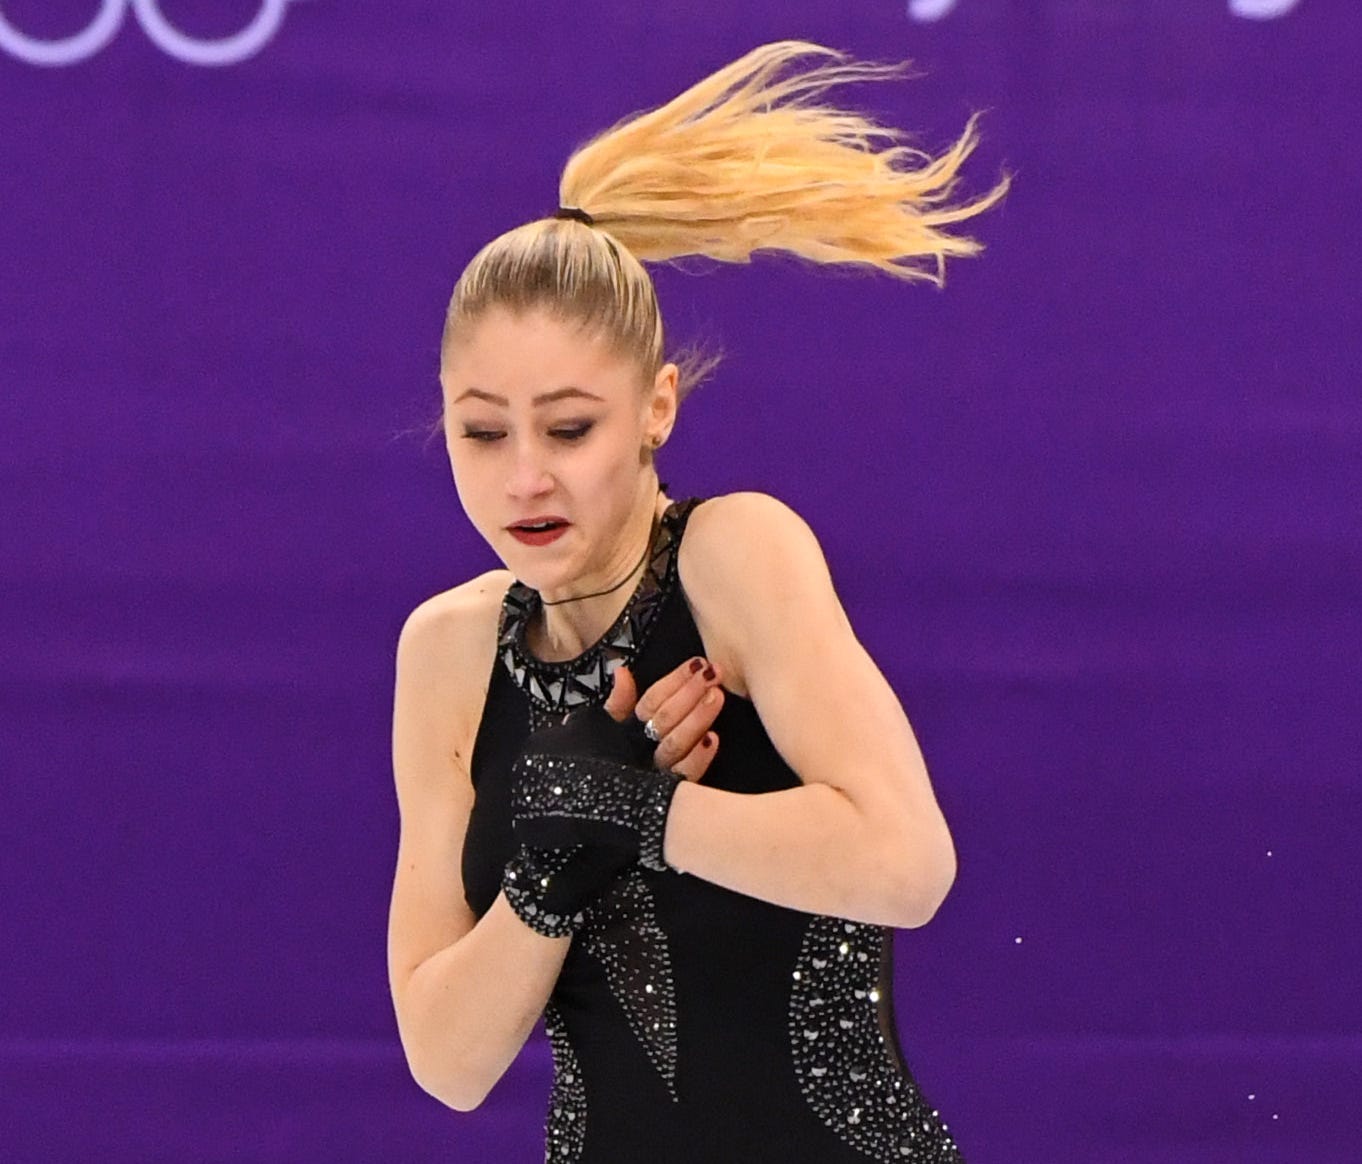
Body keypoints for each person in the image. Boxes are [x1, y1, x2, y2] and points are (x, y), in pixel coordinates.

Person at [387, 40, 1008, 1163]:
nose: (525, 476)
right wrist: (548, 876)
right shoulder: (445, 651)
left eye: (570, 428)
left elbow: (909, 863)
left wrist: (641, 816)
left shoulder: (734, 555)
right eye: (482, 432)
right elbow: (448, 1058)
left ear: (656, 409)